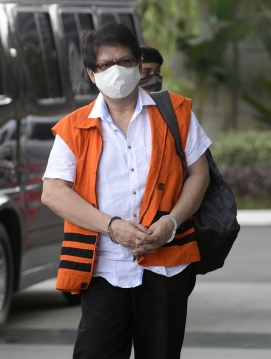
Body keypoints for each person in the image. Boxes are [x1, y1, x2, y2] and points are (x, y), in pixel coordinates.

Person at [41, 23, 211, 359]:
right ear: (92, 74)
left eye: (125, 61)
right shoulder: (74, 126)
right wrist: (113, 227)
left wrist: (172, 223)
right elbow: (54, 192)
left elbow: (199, 174)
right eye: (105, 65)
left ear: (138, 63)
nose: (116, 71)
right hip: (104, 268)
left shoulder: (175, 112)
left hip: (165, 266)